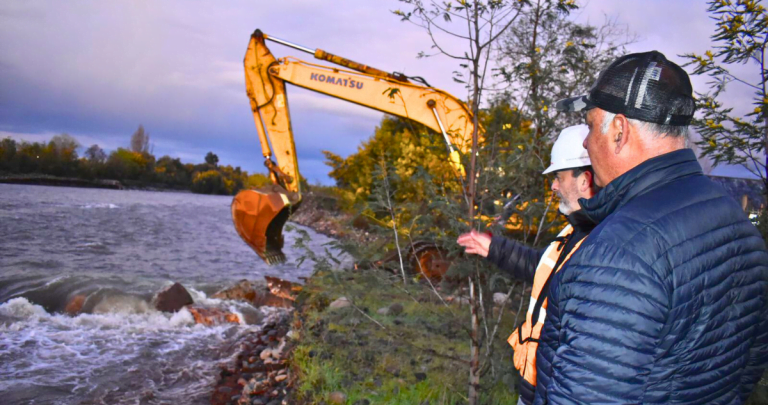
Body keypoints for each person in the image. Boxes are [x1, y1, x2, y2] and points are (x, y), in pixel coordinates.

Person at [532, 50, 768, 404]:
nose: (585, 141)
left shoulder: (618, 254)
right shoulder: (735, 222)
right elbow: (749, 363)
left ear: (619, 131)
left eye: (591, 125)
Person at [457, 125, 598, 405]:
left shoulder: (599, 242)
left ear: (585, 180)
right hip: (538, 385)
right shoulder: (575, 232)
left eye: (558, 177)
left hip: (556, 391)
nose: (554, 186)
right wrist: (496, 248)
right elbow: (544, 269)